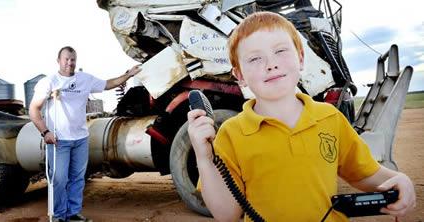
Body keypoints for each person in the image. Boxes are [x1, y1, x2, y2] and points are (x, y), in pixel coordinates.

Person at [187, 12, 416, 221]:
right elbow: (227, 214)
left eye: (280, 51)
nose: (271, 64)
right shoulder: (231, 134)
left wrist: (399, 179)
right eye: (255, 58)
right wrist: (205, 159)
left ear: (301, 58)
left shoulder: (329, 118)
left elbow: (363, 174)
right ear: (240, 75)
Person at [29, 46, 141, 222]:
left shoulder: (85, 79)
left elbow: (108, 84)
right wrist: (45, 132)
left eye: (72, 59)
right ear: (58, 61)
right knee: (59, 179)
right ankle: (58, 215)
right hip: (59, 140)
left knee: (77, 178)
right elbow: (34, 109)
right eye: (66, 59)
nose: (70, 62)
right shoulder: (49, 82)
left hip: (80, 138)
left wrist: (128, 75)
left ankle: (72, 213)